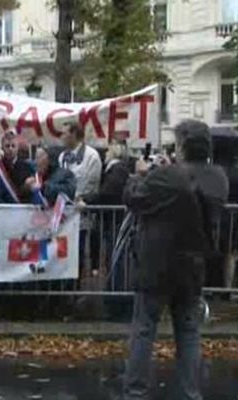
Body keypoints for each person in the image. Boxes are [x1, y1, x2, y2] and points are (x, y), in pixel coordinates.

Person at [122, 120, 229, 400]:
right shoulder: (218, 177)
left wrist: (139, 175)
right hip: (193, 265)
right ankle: (189, 393)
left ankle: (135, 392)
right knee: (189, 332)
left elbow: (134, 199)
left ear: (181, 146)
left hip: (157, 264)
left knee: (144, 330)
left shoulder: (167, 176)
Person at [58, 122, 102, 203]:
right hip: (65, 206)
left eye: (64, 134)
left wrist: (81, 199)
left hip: (84, 207)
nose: (61, 137)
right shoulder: (62, 156)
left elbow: (91, 186)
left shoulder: (92, 156)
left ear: (74, 134)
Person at [0, 131, 33, 203]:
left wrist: (26, 188)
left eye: (13, 146)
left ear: (18, 147)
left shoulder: (27, 167)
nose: (10, 149)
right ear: (2, 148)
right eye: (7, 146)